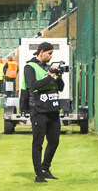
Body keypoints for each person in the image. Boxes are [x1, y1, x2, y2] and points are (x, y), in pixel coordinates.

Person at [23, 41, 66, 182]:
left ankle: (45, 168)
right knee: (38, 143)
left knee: (54, 141)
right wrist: (49, 76)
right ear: (41, 52)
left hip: (53, 110)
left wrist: (58, 77)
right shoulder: (29, 67)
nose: (51, 56)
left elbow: (60, 88)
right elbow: (33, 85)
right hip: (38, 110)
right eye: (49, 53)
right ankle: (39, 174)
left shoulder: (49, 68)